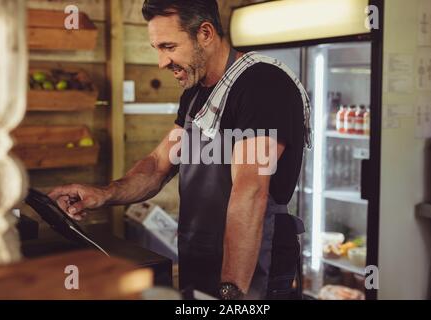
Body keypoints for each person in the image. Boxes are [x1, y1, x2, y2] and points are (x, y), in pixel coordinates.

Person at [49, 0, 310, 300]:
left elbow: (250, 193)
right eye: (156, 48)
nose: (161, 61)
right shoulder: (196, 95)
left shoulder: (263, 85)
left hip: (252, 273)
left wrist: (230, 293)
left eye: (169, 46)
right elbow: (159, 164)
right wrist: (104, 193)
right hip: (201, 260)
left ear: (206, 33)